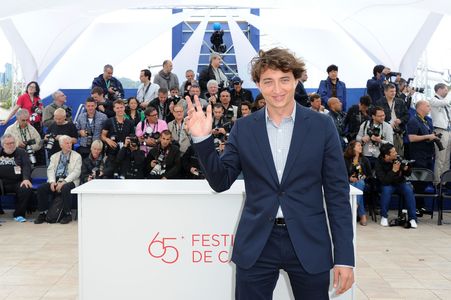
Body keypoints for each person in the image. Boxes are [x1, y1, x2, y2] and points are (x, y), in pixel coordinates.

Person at [185, 48, 354, 299]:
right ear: (258, 84)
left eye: (284, 80)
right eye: (268, 82)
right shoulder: (243, 128)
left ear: (296, 80)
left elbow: (337, 195)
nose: (277, 89)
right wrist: (202, 139)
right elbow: (221, 181)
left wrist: (344, 258)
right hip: (257, 244)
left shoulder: (322, 126)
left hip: (309, 241)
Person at [34, 135, 82, 225]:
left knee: (65, 188)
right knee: (41, 188)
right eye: (66, 143)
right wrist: (52, 182)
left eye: (70, 143)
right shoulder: (54, 156)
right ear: (61, 145)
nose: (69, 145)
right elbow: (50, 170)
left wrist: (64, 182)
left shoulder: (77, 156)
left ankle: (68, 214)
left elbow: (76, 172)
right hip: (55, 180)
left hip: (70, 180)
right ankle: (43, 213)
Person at [375, 143, 417, 228]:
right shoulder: (378, 163)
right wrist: (393, 171)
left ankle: (412, 218)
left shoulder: (398, 158)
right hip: (387, 184)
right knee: (386, 190)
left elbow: (408, 174)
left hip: (400, 183)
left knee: (409, 190)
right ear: (387, 156)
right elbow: (383, 181)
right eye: (393, 152)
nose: (396, 153)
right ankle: (384, 216)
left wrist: (406, 169)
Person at [0, 134, 33, 222]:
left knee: (26, 188)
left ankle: (19, 214)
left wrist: (26, 178)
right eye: (8, 143)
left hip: (18, 181)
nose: (11, 145)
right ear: (3, 145)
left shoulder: (22, 152)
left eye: (13, 143)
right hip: (1, 182)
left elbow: (27, 166)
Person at [101, 99, 135, 177]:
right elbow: (102, 135)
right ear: (114, 109)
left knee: (124, 176)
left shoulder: (130, 123)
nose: (119, 109)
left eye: (121, 107)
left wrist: (129, 142)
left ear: (124, 108)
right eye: (117, 108)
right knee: (111, 176)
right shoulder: (109, 121)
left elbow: (132, 136)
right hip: (112, 153)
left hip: (125, 153)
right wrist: (108, 140)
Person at [343, 141, 371, 226]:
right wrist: (349, 178)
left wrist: (362, 177)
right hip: (349, 184)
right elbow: (341, 174)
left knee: (360, 183)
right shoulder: (346, 160)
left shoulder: (365, 160)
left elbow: (369, 175)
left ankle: (354, 208)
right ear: (353, 148)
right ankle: (362, 215)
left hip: (363, 184)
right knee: (358, 188)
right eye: (358, 145)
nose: (361, 147)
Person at [429, 83, 451, 182]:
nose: (447, 92)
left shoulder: (444, 101)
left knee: (447, 158)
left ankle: (444, 181)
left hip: (448, 130)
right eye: (446, 90)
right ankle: (437, 182)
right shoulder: (433, 99)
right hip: (440, 130)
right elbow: (445, 103)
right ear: (439, 89)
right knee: (440, 158)